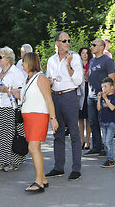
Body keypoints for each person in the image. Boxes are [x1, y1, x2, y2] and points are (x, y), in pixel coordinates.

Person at [14, 52, 58, 193]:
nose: (22, 64)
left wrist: (53, 118)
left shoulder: (41, 78)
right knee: (34, 148)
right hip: (29, 117)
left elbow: (48, 99)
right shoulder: (28, 79)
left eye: (24, 62)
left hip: (38, 116)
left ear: (31, 63)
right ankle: (43, 179)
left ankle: (39, 182)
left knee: (33, 148)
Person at [45, 32, 83, 181]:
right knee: (57, 133)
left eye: (68, 40)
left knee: (74, 132)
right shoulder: (51, 60)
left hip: (69, 96)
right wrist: (50, 81)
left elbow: (78, 80)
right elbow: (50, 78)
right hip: (56, 96)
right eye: (64, 40)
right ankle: (58, 167)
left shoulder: (75, 58)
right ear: (57, 43)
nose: (67, 43)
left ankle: (76, 169)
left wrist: (68, 65)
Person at [0, 46, 26, 172]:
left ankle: (14, 162)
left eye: (0, 57)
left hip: (10, 108)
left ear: (8, 59)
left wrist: (7, 90)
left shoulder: (16, 73)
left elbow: (21, 91)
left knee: (11, 134)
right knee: (0, 134)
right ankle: (1, 161)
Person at [84, 39, 115, 157]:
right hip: (91, 95)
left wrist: (107, 94)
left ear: (102, 47)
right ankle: (96, 147)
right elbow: (89, 77)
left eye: (94, 45)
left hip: (102, 96)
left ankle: (104, 148)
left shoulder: (107, 61)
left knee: (103, 122)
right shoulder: (92, 60)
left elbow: (112, 78)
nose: (91, 47)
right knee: (92, 122)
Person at [97, 77, 115, 167]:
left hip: (111, 122)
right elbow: (99, 108)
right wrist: (99, 99)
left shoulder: (114, 97)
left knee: (108, 141)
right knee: (105, 141)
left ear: (112, 87)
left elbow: (112, 108)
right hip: (103, 121)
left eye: (105, 86)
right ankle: (108, 156)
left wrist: (105, 99)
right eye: (102, 87)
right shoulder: (102, 97)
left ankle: (110, 160)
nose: (103, 89)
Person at [78, 47, 92, 149]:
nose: (84, 55)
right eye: (83, 53)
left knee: (88, 118)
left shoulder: (91, 64)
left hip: (89, 90)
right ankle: (81, 140)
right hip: (80, 91)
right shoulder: (76, 64)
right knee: (80, 118)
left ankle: (88, 141)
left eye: (86, 53)